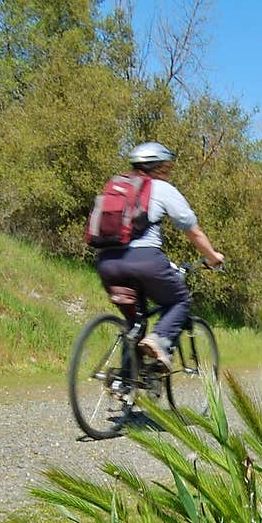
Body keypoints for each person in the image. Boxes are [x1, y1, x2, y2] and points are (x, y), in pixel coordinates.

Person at [94, 141, 224, 372]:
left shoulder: (115, 187)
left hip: (107, 262)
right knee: (179, 300)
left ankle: (125, 381)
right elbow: (192, 230)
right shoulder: (161, 189)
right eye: (166, 167)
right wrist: (212, 256)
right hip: (144, 261)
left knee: (136, 322)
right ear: (161, 167)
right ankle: (159, 340)